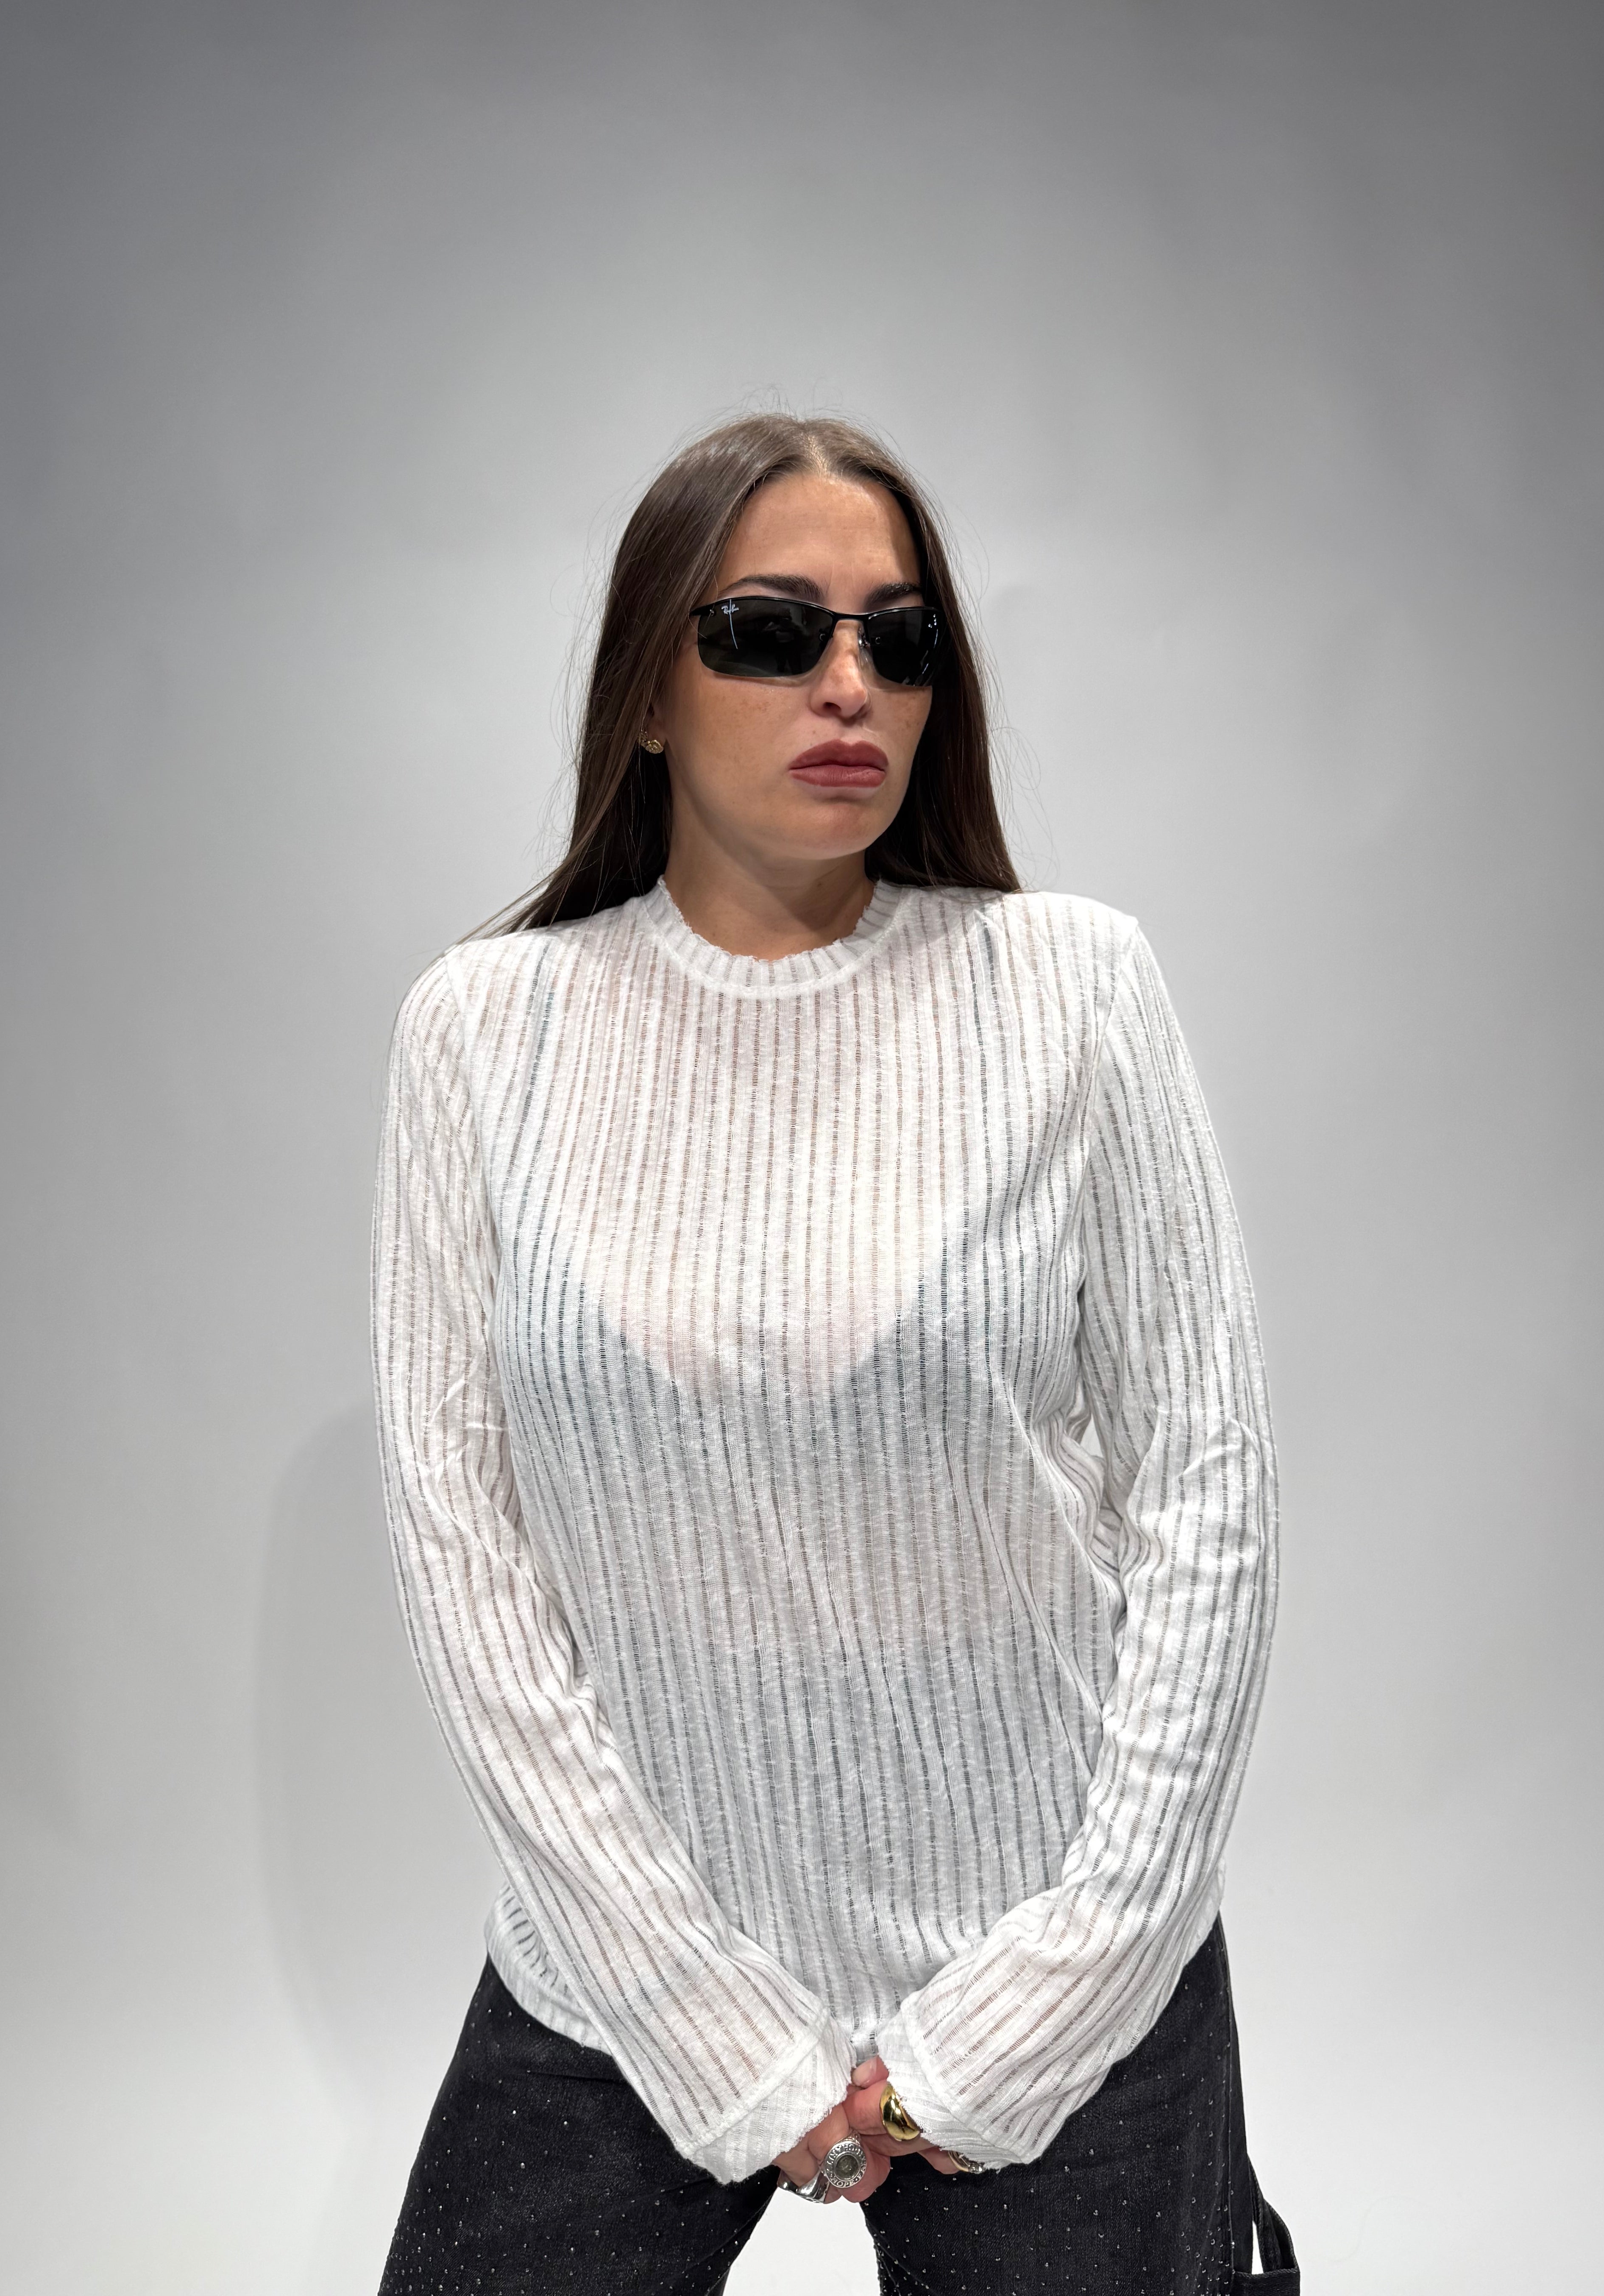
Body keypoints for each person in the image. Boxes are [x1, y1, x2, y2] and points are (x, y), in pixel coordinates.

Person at [369, 412, 1299, 2293]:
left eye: (903, 637)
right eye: (771, 632)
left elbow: (1209, 1496)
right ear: (647, 689)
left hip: (1056, 1969)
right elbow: (464, 1557)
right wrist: (706, 2021)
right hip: (624, 1971)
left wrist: (1066, 1981)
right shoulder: (482, 1032)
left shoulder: (1075, 989)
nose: (851, 684)